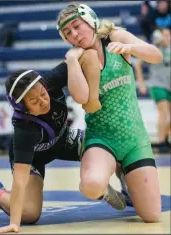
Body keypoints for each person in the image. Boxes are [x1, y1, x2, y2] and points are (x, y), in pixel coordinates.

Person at [0, 51, 127, 234]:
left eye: (43, 94)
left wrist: (74, 55)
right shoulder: (24, 129)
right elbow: (20, 181)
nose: (43, 102)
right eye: (34, 102)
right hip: (34, 159)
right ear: (23, 108)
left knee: (111, 143)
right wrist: (14, 223)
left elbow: (88, 54)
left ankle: (127, 188)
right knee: (29, 214)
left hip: (63, 139)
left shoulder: (51, 80)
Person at [56, 3, 163, 223]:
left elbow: (156, 55)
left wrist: (129, 48)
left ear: (90, 19)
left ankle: (126, 178)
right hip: (102, 139)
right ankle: (108, 188)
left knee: (151, 216)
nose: (74, 35)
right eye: (68, 33)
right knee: (90, 185)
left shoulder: (115, 35)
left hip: (135, 138)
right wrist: (73, 61)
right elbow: (83, 99)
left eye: (77, 26)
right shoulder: (78, 59)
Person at [134, 27, 171, 153]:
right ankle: (161, 143)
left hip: (169, 85)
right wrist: (141, 83)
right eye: (166, 35)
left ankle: (165, 139)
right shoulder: (153, 49)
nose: (168, 38)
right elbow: (137, 64)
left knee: (168, 116)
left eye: (169, 35)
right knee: (164, 113)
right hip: (157, 85)